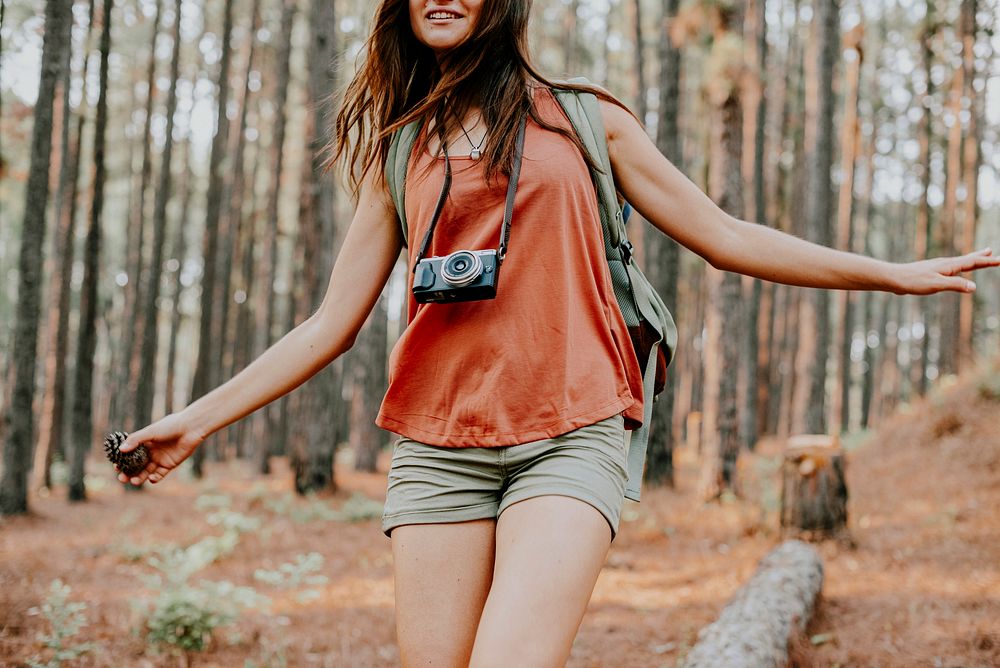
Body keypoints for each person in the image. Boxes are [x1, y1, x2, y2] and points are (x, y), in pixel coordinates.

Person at [117, 1, 1000, 665]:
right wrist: (195, 421)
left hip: (571, 433)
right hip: (438, 445)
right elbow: (328, 324)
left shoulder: (584, 118)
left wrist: (892, 272)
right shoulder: (402, 149)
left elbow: (726, 237)